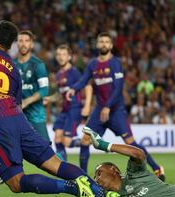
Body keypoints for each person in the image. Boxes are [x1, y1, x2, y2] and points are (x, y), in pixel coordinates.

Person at [0, 20, 120, 197]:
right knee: (56, 164)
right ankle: (102, 196)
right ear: (10, 46)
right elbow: (15, 102)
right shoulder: (13, 69)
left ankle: (74, 188)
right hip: (19, 120)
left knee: (16, 182)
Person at [31, 126, 175, 197]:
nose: (96, 179)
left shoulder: (135, 174)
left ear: (114, 170)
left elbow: (139, 154)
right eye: (95, 176)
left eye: (99, 173)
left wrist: (103, 145)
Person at [66, 32, 165, 181]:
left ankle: (157, 168)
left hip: (116, 110)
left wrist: (108, 106)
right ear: (97, 45)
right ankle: (83, 178)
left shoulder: (115, 63)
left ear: (111, 45)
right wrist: (73, 88)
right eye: (101, 42)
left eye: (107, 42)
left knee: (130, 142)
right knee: (85, 140)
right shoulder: (93, 64)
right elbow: (83, 80)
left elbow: (118, 88)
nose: (104, 44)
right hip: (100, 110)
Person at [0, 30, 50, 190]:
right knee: (7, 145)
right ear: (15, 44)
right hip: (14, 114)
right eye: (20, 40)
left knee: (46, 149)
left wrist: (26, 101)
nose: (23, 43)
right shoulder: (10, 63)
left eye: (27, 40)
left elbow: (44, 90)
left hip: (35, 115)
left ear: (32, 44)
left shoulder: (37, 64)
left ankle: (70, 174)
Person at [46, 44, 92, 161]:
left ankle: (86, 141)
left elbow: (88, 87)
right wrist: (49, 99)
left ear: (69, 57)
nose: (61, 57)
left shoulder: (74, 72)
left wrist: (87, 106)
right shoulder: (58, 74)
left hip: (74, 109)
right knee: (57, 139)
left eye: (64, 54)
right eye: (59, 54)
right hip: (64, 111)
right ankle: (64, 168)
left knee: (66, 142)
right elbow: (60, 94)